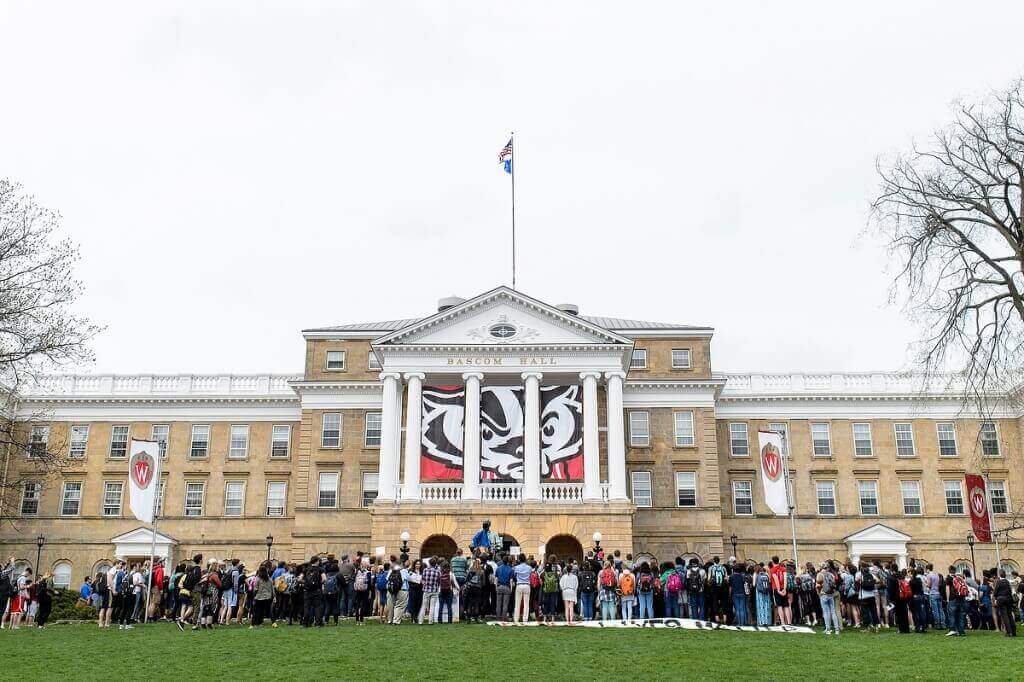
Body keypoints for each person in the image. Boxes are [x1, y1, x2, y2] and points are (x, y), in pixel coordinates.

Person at [855, 562, 879, 631]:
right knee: (873, 611)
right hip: (872, 595)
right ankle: (876, 626)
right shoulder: (871, 574)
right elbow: (878, 580)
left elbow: (856, 580)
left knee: (865, 612)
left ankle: (867, 627)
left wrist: (862, 582)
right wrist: (872, 583)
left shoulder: (859, 574)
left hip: (863, 596)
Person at [887, 563, 910, 634]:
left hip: (897, 597)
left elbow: (891, 589)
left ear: (891, 569)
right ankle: (906, 628)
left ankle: (901, 629)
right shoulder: (901, 576)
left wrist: (890, 598)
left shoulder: (891, 577)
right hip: (904, 596)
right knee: (904, 612)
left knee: (899, 614)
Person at [304, 555, 325, 627]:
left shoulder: (306, 569)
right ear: (317, 561)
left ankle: (305, 624)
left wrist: (306, 583)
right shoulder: (320, 569)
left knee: (307, 607)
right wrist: (320, 583)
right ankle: (318, 624)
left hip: (307, 591)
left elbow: (299, 579)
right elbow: (324, 579)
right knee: (317, 607)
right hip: (317, 591)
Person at [994, 569, 1017, 637]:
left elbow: (995, 592)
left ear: (999, 574)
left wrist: (995, 598)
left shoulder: (999, 582)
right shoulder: (1007, 582)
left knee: (1005, 616)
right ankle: (1013, 632)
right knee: (1010, 615)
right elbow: (1010, 591)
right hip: (1009, 600)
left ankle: (1009, 632)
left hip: (1001, 600)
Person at [946, 566, 967, 637]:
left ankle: (952, 630)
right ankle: (961, 631)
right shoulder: (959, 578)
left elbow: (948, 589)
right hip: (961, 598)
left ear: (949, 571)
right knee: (960, 615)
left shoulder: (949, 578)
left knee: (952, 615)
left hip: (953, 598)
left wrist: (948, 599)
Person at [769, 558, 790, 626]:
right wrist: (784, 589)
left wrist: (778, 590)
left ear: (773, 562)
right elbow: (785, 578)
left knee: (779, 606)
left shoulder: (772, 570)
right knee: (786, 606)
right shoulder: (783, 568)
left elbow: (776, 580)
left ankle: (783, 622)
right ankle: (789, 622)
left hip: (776, 588)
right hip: (783, 588)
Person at [512, 554, 532, 624]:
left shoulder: (516, 567)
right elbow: (530, 575)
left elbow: (514, 575)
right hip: (527, 585)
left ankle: (516, 619)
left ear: (519, 559)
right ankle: (525, 620)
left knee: (517, 603)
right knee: (526, 604)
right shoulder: (529, 568)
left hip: (519, 585)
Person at [540, 556, 560, 624]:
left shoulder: (545, 570)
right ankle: (552, 618)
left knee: (546, 603)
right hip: (554, 589)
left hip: (546, 589)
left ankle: (545, 618)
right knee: (553, 603)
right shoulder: (556, 569)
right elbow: (558, 577)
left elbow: (541, 576)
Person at [495, 555, 514, 621]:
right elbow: (511, 580)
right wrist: (511, 588)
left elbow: (496, 579)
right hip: (507, 587)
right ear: (508, 561)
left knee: (498, 603)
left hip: (499, 586)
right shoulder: (511, 569)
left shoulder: (498, 568)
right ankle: (504, 617)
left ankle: (498, 617)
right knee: (505, 604)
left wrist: (496, 586)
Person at [353, 558, 372, 624]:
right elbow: (369, 583)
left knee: (358, 604)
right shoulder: (368, 573)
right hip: (365, 590)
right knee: (363, 605)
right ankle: (361, 620)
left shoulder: (357, 572)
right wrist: (369, 591)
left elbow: (354, 580)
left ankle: (357, 620)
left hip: (358, 589)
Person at [407, 559, 423, 626]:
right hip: (413, 589)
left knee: (419, 603)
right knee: (413, 603)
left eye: (419, 564)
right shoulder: (410, 571)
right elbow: (409, 580)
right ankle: (413, 617)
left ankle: (416, 616)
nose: (418, 565)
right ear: (414, 564)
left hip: (420, 589)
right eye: (416, 564)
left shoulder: (422, 572)